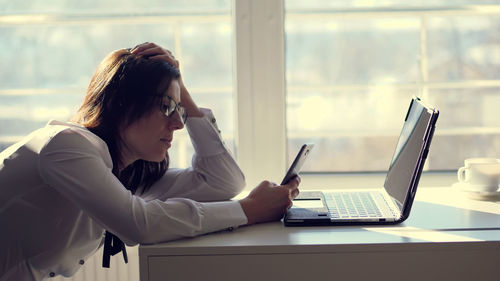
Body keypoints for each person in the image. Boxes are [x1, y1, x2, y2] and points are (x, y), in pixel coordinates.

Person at [0, 42, 300, 281]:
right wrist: (249, 210)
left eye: (178, 109)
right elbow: (137, 224)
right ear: (121, 102)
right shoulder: (66, 146)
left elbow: (223, 181)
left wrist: (178, 85)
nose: (178, 125)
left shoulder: (123, 171)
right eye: (166, 107)